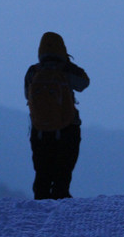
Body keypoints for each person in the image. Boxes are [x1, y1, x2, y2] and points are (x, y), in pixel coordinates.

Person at [24, 32, 90, 199]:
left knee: (42, 173)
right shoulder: (67, 70)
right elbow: (84, 83)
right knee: (63, 171)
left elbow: (27, 95)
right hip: (68, 128)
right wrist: (67, 64)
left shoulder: (33, 71)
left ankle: (39, 205)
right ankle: (61, 206)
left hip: (39, 130)